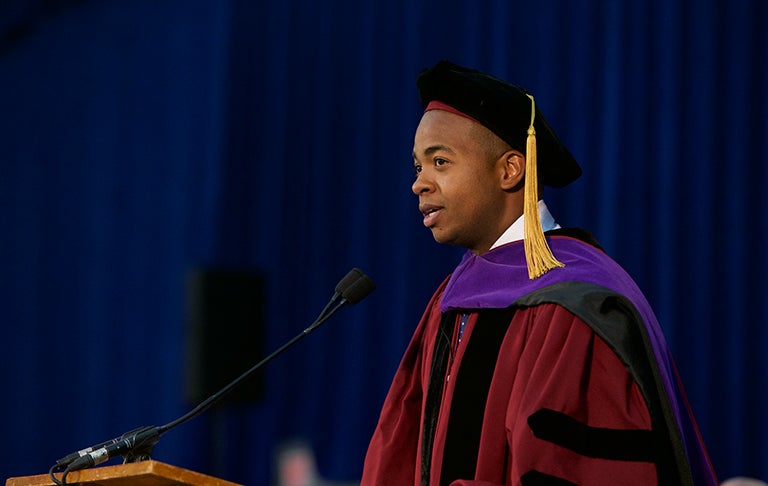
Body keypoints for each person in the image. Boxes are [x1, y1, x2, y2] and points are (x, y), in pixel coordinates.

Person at [360, 60, 718, 485]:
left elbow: (581, 471)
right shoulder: (454, 298)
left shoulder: (574, 304)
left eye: (440, 162)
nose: (419, 184)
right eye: (418, 167)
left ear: (511, 170)